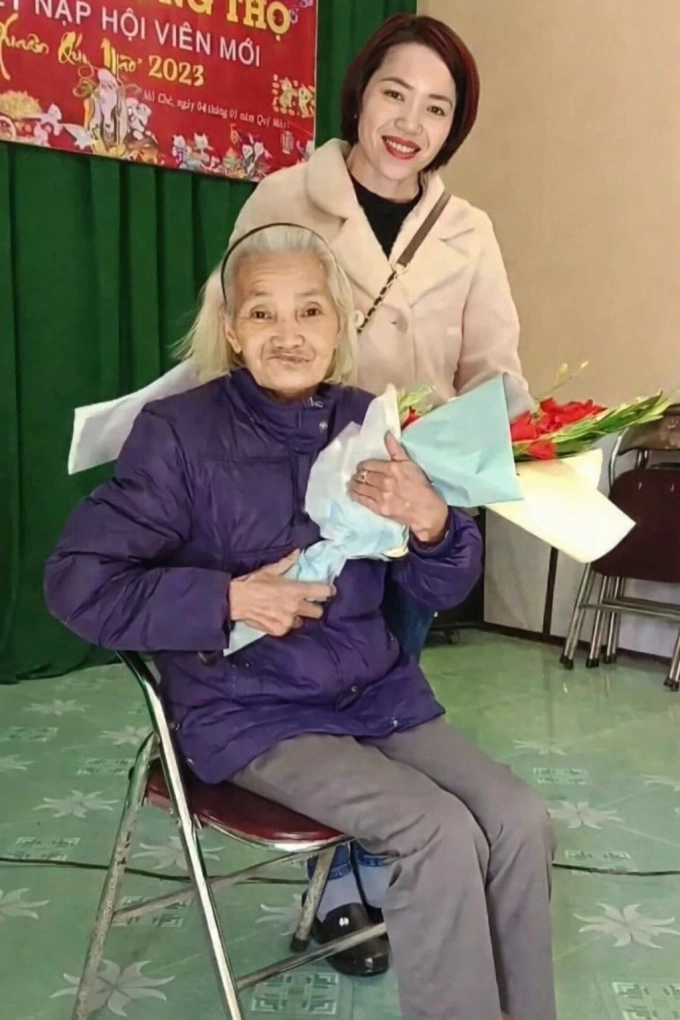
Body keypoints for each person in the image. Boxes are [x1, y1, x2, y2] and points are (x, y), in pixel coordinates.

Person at [63, 13, 534, 975]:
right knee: (436, 830)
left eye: (436, 108)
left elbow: (494, 378)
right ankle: (355, 904)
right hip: (251, 694)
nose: (410, 120)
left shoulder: (457, 252)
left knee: (515, 817)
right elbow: (84, 578)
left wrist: (435, 511)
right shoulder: (194, 417)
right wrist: (230, 597)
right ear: (234, 326)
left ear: (337, 326)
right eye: (395, 93)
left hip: (387, 558)